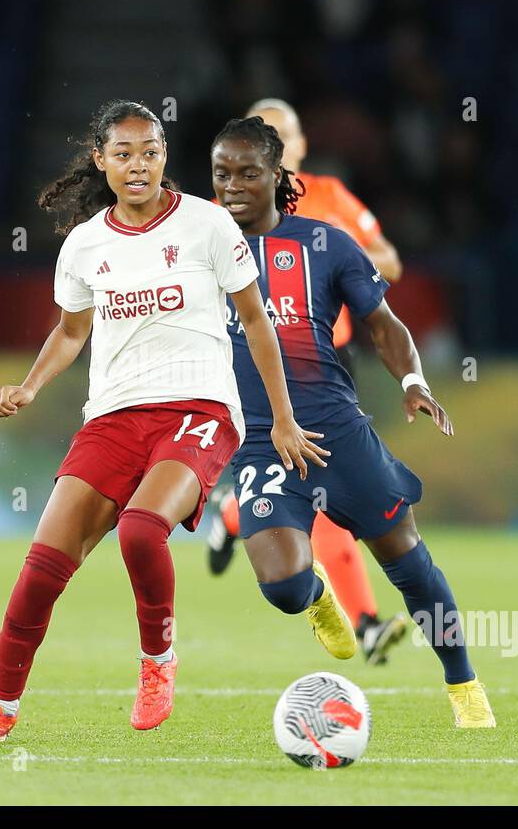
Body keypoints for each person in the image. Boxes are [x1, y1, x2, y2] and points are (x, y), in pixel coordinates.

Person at [0, 101, 332, 744]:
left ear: (165, 156)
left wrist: (285, 420)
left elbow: (259, 323)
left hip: (199, 411)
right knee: (41, 570)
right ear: (100, 161)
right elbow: (72, 332)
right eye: (123, 154)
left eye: (150, 152)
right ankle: (0, 706)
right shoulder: (84, 245)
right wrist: (29, 386)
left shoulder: (209, 226)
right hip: (112, 418)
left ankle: (157, 661)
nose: (138, 166)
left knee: (139, 529)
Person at [211, 116, 496, 727]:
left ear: (277, 176)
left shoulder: (325, 243)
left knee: (409, 564)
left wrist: (414, 382)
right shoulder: (199, 251)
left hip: (338, 433)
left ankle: (464, 685)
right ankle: (318, 598)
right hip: (262, 443)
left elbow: (382, 323)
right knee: (283, 588)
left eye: (247, 173)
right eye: (221, 173)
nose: (231, 185)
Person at [205, 98, 408, 665]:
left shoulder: (330, 199)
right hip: (252, 360)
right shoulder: (226, 207)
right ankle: (365, 622)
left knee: (317, 486)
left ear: (298, 147)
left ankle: (232, 511)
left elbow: (389, 263)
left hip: (328, 362)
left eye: (281, 135)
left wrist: (336, 246)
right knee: (319, 487)